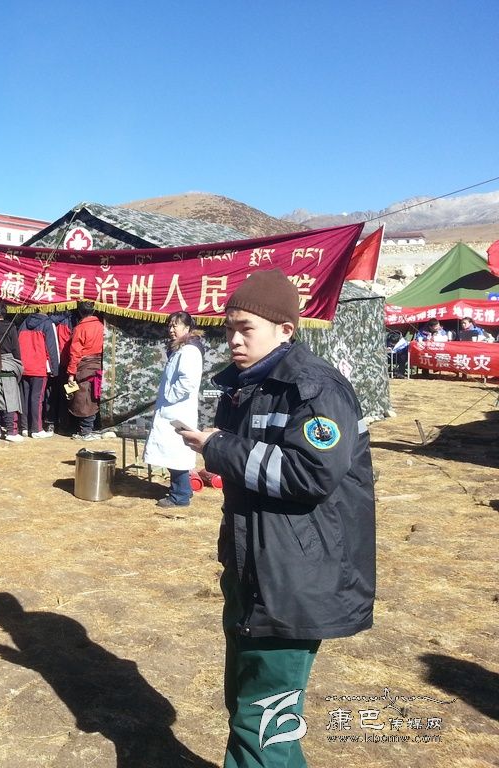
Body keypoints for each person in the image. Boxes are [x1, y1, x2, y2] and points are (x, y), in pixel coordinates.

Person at [178, 270, 375, 768]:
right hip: (255, 571)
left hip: (292, 580)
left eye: (246, 328)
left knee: (264, 723)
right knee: (251, 706)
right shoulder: (249, 386)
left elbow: (312, 474)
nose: (234, 340)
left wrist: (218, 447)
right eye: (228, 329)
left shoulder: (312, 389)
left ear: (286, 329)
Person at [143, 311, 204, 508]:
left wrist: (170, 396)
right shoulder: (181, 349)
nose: (171, 329)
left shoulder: (189, 351)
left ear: (187, 328)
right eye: (169, 325)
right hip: (172, 410)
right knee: (173, 452)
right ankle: (182, 489)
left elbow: (187, 382)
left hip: (177, 410)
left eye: (175, 325)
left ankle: (180, 495)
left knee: (176, 453)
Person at [17, 310, 60, 438]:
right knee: (37, 398)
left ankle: (24, 427)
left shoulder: (23, 323)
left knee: (24, 398)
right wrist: (55, 369)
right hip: (39, 367)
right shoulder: (48, 323)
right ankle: (36, 429)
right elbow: (52, 347)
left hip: (24, 366)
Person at [67, 301, 104, 440]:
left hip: (84, 367)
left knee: (84, 399)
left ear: (79, 312)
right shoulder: (102, 326)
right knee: (93, 397)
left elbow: (75, 353)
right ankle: (88, 429)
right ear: (93, 311)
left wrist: (71, 374)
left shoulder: (80, 328)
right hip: (98, 366)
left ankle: (86, 430)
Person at [0, 302, 24, 442]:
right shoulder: (11, 327)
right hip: (9, 364)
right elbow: (16, 348)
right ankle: (11, 431)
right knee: (11, 400)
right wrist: (18, 364)